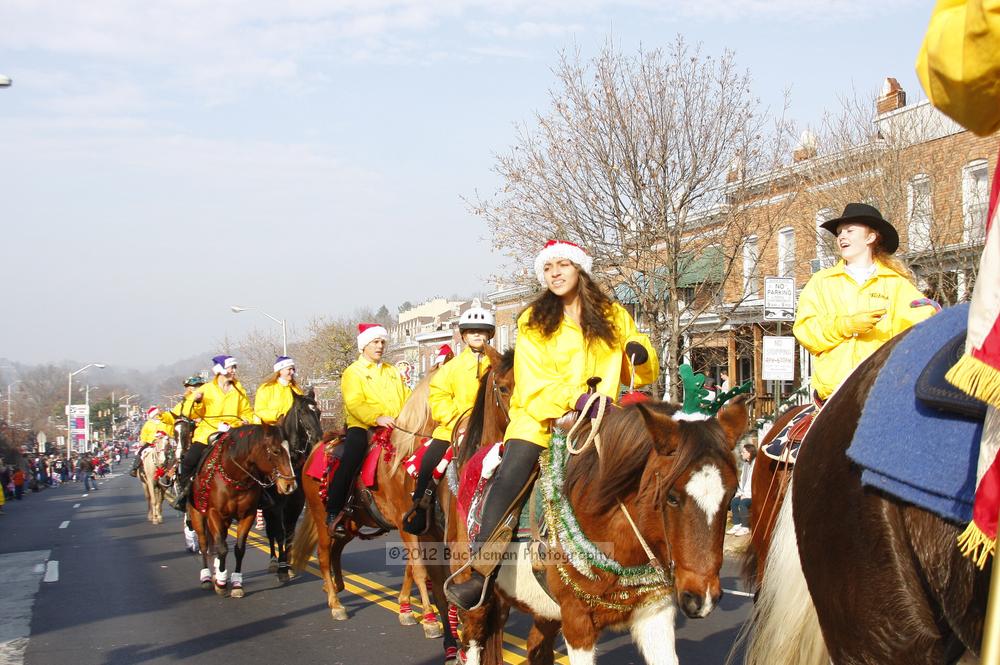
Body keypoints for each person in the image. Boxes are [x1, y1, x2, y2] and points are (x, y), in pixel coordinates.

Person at [446, 239, 659, 611]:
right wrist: (574, 399)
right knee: (510, 475)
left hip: (599, 420)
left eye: (563, 265)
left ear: (580, 269)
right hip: (538, 420)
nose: (555, 273)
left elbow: (637, 358)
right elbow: (532, 380)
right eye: (548, 268)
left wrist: (640, 354)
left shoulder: (612, 315)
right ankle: (480, 571)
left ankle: (662, 558)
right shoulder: (532, 320)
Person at [794, 203, 938, 402]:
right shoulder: (821, 282)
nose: (842, 236)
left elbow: (918, 329)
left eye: (850, 230)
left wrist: (933, 316)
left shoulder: (896, 284)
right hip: (834, 394)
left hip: (881, 390)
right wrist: (846, 325)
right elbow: (806, 332)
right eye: (839, 232)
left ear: (871, 237)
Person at [403, 303, 495, 535]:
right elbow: (439, 399)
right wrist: (458, 422)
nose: (477, 335)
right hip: (454, 429)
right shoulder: (450, 369)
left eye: (482, 331)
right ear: (463, 336)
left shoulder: (500, 365)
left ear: (490, 335)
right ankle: (420, 509)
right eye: (472, 331)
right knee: (428, 463)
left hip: (492, 430)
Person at [325, 324, 411, 535]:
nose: (380, 346)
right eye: (375, 342)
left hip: (397, 426)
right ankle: (335, 510)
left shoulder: (392, 371)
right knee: (351, 456)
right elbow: (354, 403)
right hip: (363, 426)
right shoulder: (352, 372)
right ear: (364, 345)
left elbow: (407, 396)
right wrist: (377, 417)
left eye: (382, 342)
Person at [170, 355, 254, 510]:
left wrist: (246, 420)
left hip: (234, 432)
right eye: (231, 367)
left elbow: (247, 411)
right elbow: (190, 413)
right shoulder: (206, 389)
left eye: (235, 367)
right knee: (189, 461)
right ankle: (185, 497)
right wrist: (197, 401)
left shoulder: (239, 388)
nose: (234, 370)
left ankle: (262, 496)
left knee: (257, 458)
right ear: (221, 370)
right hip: (208, 433)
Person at [253, 356, 303, 425]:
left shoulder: (297, 390)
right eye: (289, 369)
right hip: (270, 430)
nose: (292, 372)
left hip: (291, 430)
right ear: (280, 371)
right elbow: (259, 411)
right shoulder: (266, 388)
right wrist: (278, 416)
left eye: (293, 369)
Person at [129, 406, 175, 477]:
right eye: (155, 415)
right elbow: (144, 434)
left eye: (158, 415)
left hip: (165, 442)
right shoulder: (148, 424)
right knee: (140, 452)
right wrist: (143, 441)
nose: (157, 416)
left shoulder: (165, 422)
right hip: (151, 443)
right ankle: (135, 468)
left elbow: (171, 432)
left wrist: (168, 437)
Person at [727, 441, 757, 537]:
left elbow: (751, 481)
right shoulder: (746, 464)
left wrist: (746, 495)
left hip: (753, 494)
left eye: (744, 452)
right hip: (745, 493)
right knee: (734, 501)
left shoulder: (754, 464)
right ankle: (737, 524)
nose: (741, 453)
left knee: (743, 503)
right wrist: (739, 493)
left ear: (750, 452)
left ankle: (745, 527)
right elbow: (742, 481)